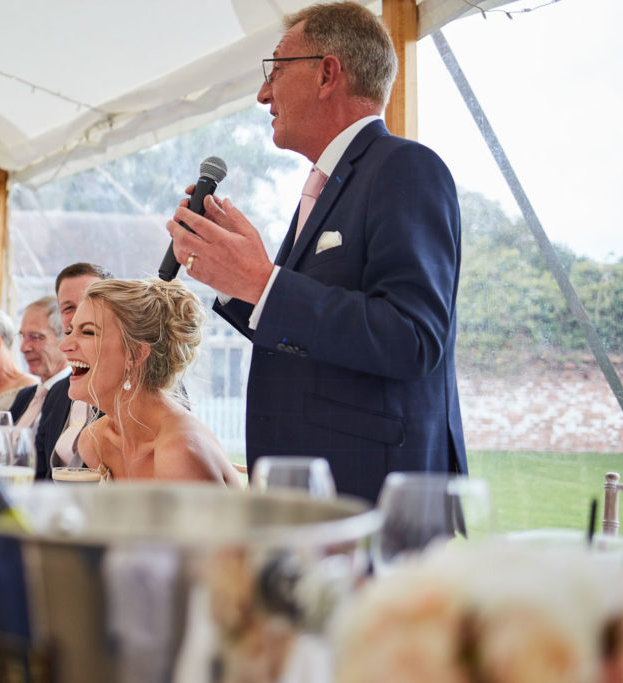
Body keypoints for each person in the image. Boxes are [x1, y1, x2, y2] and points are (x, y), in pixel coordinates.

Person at [164, 1, 466, 502]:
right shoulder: (325, 185)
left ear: (327, 74)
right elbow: (305, 328)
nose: (263, 94)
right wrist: (234, 280)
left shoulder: (405, 168)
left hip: (372, 498)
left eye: (276, 69)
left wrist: (264, 283)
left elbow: (413, 338)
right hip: (310, 494)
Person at [59, 278, 240, 486]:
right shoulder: (96, 442)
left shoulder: (179, 452)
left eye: (88, 332)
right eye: (70, 331)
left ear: (135, 354)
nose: (64, 345)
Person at [32, 263, 115, 479]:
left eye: (90, 302)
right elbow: (39, 476)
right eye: (68, 308)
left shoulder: (137, 390)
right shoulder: (57, 393)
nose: (79, 313)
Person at [8, 296, 71, 430]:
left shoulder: (74, 399)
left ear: (65, 338)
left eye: (35, 337)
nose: (23, 348)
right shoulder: (25, 396)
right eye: (23, 337)